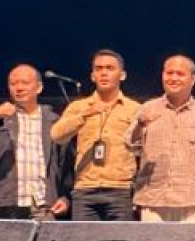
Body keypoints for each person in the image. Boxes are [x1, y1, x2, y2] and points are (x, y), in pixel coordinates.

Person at [0, 64, 71, 221]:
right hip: (8, 203)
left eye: (25, 83)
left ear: (39, 88)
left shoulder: (53, 121)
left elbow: (66, 164)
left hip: (44, 204)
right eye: (13, 84)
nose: (19, 88)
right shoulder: (2, 121)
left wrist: (65, 197)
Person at [126, 54, 195, 223]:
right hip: (152, 198)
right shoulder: (148, 108)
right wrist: (140, 125)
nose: (174, 78)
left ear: (193, 79)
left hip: (192, 199)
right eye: (169, 73)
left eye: (180, 74)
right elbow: (130, 145)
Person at [51, 49, 140, 221]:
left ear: (122, 75)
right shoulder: (78, 107)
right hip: (85, 189)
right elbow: (56, 135)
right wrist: (84, 115)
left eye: (110, 68)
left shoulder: (134, 109)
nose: (104, 73)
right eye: (99, 69)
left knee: (120, 238)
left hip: (120, 189)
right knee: (83, 238)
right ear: (92, 76)